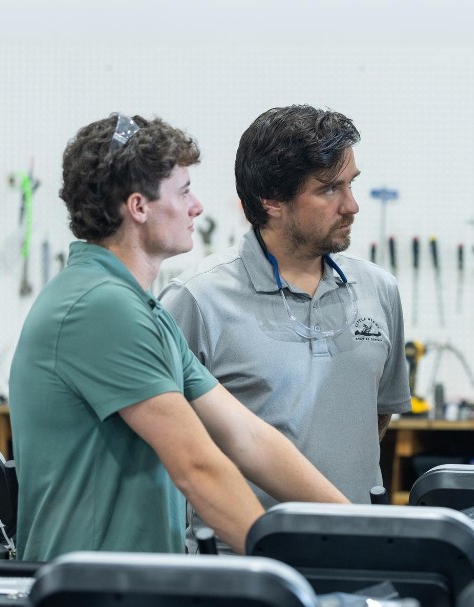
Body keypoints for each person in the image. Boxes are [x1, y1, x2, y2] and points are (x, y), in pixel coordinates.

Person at [10, 113, 347, 562]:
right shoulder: (101, 307)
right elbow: (198, 466)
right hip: (94, 604)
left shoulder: (139, 308)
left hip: (133, 591)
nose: (197, 207)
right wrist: (298, 570)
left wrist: (356, 531)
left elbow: (247, 437)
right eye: (184, 191)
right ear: (139, 207)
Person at [161, 105, 410, 517]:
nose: (351, 206)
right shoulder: (197, 299)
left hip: (360, 546)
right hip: (246, 559)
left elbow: (377, 415)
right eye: (329, 189)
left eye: (351, 185)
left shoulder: (378, 291)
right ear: (271, 201)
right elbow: (169, 442)